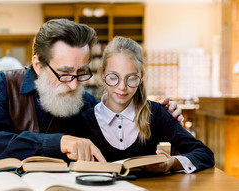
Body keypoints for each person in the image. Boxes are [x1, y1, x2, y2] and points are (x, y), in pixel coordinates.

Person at [0, 18, 183, 164]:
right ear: (38, 65)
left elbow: (119, 149)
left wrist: (162, 117)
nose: (73, 85)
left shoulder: (88, 104)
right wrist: (58, 142)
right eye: (64, 73)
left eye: (81, 73)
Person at [74, 36, 214, 174]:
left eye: (132, 78)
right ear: (102, 74)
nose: (122, 87)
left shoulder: (155, 113)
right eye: (113, 77)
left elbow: (205, 154)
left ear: (141, 77)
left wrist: (171, 163)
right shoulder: (83, 120)